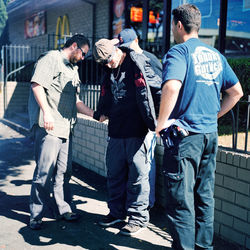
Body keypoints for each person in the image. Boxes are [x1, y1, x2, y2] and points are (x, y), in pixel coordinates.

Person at [155, 4, 243, 250]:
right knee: (204, 195)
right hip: (209, 135)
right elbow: (236, 92)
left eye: (173, 25)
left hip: (186, 138)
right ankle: (204, 247)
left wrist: (160, 125)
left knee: (180, 199)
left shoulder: (179, 52)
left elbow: (171, 86)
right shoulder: (216, 55)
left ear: (179, 25)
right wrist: (214, 116)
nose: (172, 29)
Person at [93, 38, 161, 236]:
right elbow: (106, 93)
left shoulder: (136, 62)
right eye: (103, 63)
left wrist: (160, 119)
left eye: (109, 60)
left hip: (137, 130)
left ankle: (138, 218)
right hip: (115, 130)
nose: (108, 64)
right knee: (114, 174)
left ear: (116, 50)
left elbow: (157, 89)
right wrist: (102, 111)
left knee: (138, 177)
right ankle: (116, 213)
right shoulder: (107, 68)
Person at [28, 34, 94, 230]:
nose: (83, 58)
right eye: (83, 53)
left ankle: (62, 209)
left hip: (66, 128)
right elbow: (37, 85)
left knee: (64, 172)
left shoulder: (72, 69)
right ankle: (36, 215)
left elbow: (75, 101)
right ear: (74, 46)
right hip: (50, 127)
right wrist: (46, 113)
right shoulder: (51, 59)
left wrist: (94, 114)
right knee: (44, 173)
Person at [118, 28, 163, 209]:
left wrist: (158, 118)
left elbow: (161, 87)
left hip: (148, 121)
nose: (126, 50)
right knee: (135, 168)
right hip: (132, 123)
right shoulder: (126, 60)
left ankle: (148, 204)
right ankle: (135, 203)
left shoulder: (150, 58)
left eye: (128, 46)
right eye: (123, 47)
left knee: (146, 166)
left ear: (137, 40)